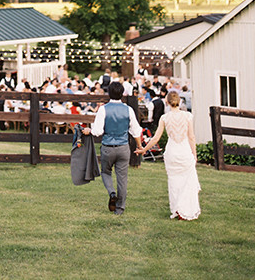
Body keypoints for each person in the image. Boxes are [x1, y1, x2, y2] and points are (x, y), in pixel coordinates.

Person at [136, 90, 201, 220]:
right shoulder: (188, 116)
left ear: (167, 102)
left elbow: (155, 138)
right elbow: (191, 137)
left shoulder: (165, 118)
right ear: (179, 101)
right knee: (187, 181)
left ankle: (177, 209)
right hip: (184, 151)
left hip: (172, 152)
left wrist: (144, 149)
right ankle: (185, 209)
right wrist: (194, 154)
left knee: (174, 182)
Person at [82, 81, 143, 215]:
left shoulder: (103, 109)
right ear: (122, 94)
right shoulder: (128, 109)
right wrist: (139, 146)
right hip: (123, 147)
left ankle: (112, 193)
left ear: (109, 93)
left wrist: (89, 131)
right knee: (122, 178)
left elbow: (98, 131)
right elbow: (136, 131)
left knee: (106, 172)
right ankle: (120, 208)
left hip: (108, 147)